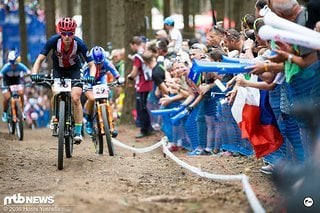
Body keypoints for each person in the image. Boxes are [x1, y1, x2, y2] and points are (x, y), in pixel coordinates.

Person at [31, 17, 96, 144]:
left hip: (75, 71)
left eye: (70, 33)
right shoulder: (53, 41)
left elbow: (92, 65)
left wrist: (92, 76)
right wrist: (34, 73)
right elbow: (39, 60)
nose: (67, 37)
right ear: (60, 32)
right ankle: (55, 118)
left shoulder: (80, 43)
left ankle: (78, 131)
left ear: (74, 33)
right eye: (64, 33)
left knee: (76, 97)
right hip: (58, 70)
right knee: (55, 93)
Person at [82, 46, 120, 136]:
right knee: (91, 99)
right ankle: (88, 120)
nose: (99, 65)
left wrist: (118, 78)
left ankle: (111, 125)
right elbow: (81, 74)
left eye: (101, 63)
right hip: (89, 81)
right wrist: (84, 81)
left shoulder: (107, 62)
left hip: (101, 79)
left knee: (106, 98)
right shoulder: (87, 64)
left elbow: (114, 71)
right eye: (96, 63)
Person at [127, 36, 154, 138]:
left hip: (142, 85)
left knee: (142, 107)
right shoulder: (146, 53)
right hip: (149, 83)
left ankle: (144, 130)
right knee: (146, 106)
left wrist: (129, 77)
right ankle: (149, 127)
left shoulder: (138, 56)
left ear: (134, 44)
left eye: (131, 46)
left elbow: (134, 72)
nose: (131, 48)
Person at [0, 50, 31, 122]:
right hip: (6, 82)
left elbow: (29, 72)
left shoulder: (20, 66)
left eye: (15, 64)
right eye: (12, 63)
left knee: (21, 93)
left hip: (17, 81)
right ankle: (5, 113)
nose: (13, 66)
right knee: (7, 97)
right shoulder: (6, 67)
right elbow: (0, 75)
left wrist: (30, 76)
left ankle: (22, 111)